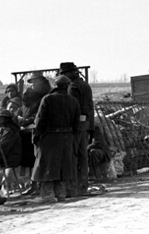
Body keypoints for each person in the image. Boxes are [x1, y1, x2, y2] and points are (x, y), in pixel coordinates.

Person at [31, 75, 80, 203]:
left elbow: (40, 121)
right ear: (67, 86)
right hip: (67, 139)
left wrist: (35, 137)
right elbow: (77, 125)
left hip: (49, 139)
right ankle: (61, 194)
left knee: (47, 167)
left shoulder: (47, 99)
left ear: (56, 85)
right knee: (63, 167)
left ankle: (48, 196)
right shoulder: (74, 101)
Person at [59, 62, 94, 198]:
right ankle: (83, 186)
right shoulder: (85, 85)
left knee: (74, 156)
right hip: (85, 123)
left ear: (72, 73)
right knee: (83, 156)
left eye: (64, 74)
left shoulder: (73, 87)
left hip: (77, 124)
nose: (64, 77)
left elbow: (72, 107)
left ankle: (74, 188)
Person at [18, 71, 52, 196]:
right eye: (32, 83)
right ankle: (32, 184)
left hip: (39, 130)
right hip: (26, 131)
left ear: (42, 82)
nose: (33, 85)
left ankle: (39, 184)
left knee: (39, 158)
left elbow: (41, 114)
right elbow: (24, 110)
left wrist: (29, 120)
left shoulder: (46, 96)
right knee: (29, 159)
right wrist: (20, 117)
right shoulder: (28, 96)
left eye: (36, 82)